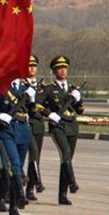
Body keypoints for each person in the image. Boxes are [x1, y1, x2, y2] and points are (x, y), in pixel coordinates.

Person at [41, 55, 84, 205]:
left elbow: (80, 111)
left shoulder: (73, 89)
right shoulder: (49, 88)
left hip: (72, 126)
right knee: (65, 153)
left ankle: (62, 194)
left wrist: (79, 100)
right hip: (57, 126)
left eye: (64, 68)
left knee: (67, 160)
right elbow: (38, 105)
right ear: (54, 71)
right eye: (59, 68)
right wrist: (49, 114)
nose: (63, 71)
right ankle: (72, 183)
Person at [0, 78, 34, 215]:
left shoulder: (26, 87)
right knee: (13, 164)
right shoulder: (0, 85)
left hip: (23, 129)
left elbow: (32, 111)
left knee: (19, 166)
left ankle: (13, 207)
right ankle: (20, 195)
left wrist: (32, 98)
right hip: (7, 130)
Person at [24, 55, 46, 200]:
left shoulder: (42, 88)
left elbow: (47, 104)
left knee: (36, 156)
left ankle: (30, 188)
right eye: (29, 66)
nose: (32, 69)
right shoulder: (21, 85)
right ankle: (36, 182)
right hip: (24, 123)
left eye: (34, 66)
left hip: (38, 124)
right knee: (30, 153)